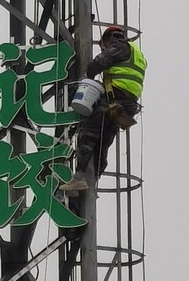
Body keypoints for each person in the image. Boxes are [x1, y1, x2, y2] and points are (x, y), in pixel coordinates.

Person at [60, 24, 147, 193]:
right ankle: (93, 183)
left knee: (88, 132)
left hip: (115, 100)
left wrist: (89, 75)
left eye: (103, 45)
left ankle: (80, 177)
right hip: (126, 105)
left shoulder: (119, 46)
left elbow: (97, 64)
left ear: (110, 38)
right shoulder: (138, 54)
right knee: (103, 143)